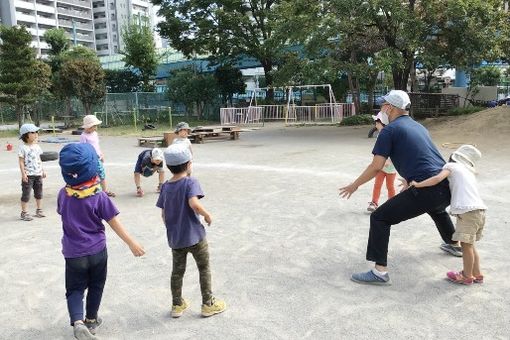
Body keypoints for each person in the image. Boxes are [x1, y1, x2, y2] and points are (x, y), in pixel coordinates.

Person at [339, 90, 461, 286]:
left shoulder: (389, 130)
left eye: (383, 105)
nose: (381, 109)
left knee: (379, 217)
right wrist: (409, 178)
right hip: (445, 187)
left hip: (427, 189)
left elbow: (376, 166)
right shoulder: (418, 126)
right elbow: (422, 157)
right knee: (436, 208)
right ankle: (454, 244)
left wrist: (355, 185)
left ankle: (379, 272)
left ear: (391, 108)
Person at [57, 143, 145, 340]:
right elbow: (114, 223)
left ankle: (78, 322)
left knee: (75, 289)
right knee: (96, 285)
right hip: (97, 251)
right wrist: (131, 243)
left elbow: (62, 212)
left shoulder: (63, 195)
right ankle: (91, 321)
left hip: (73, 253)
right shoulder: (99, 196)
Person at [157, 144, 226, 318]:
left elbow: (164, 214)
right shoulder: (190, 182)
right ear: (188, 164)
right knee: (204, 268)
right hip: (196, 236)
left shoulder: (165, 186)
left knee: (177, 272)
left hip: (177, 239)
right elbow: (194, 203)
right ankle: (208, 304)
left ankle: (177, 304)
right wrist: (207, 215)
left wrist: (172, 228)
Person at [411, 145, 486, 285]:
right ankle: (477, 274)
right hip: (480, 211)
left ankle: (466, 276)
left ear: (454, 157)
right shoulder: (469, 171)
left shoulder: (451, 166)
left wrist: (418, 184)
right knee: (470, 244)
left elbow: (437, 179)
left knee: (466, 246)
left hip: (468, 212)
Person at [367, 112, 396, 212]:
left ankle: (392, 204)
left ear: (382, 123)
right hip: (381, 166)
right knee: (377, 185)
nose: (376, 125)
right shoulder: (380, 135)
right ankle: (374, 202)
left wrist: (389, 161)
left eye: (377, 123)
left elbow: (395, 151)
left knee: (390, 186)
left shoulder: (391, 135)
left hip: (391, 167)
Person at [80, 115, 115, 197]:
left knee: (101, 174)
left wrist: (101, 154)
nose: (95, 128)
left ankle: (104, 191)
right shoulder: (83, 136)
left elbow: (97, 145)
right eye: (94, 126)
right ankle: (91, 191)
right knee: (91, 176)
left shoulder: (95, 133)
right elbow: (83, 149)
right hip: (90, 159)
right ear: (88, 127)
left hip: (97, 158)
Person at [18, 123, 46, 221]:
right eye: (33, 132)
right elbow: (21, 162)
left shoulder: (37, 147)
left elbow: (39, 159)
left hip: (38, 174)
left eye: (36, 132)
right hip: (28, 175)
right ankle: (24, 213)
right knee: (26, 194)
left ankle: (39, 210)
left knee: (39, 193)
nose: (36, 134)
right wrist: (23, 174)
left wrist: (42, 170)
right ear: (26, 135)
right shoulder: (22, 148)